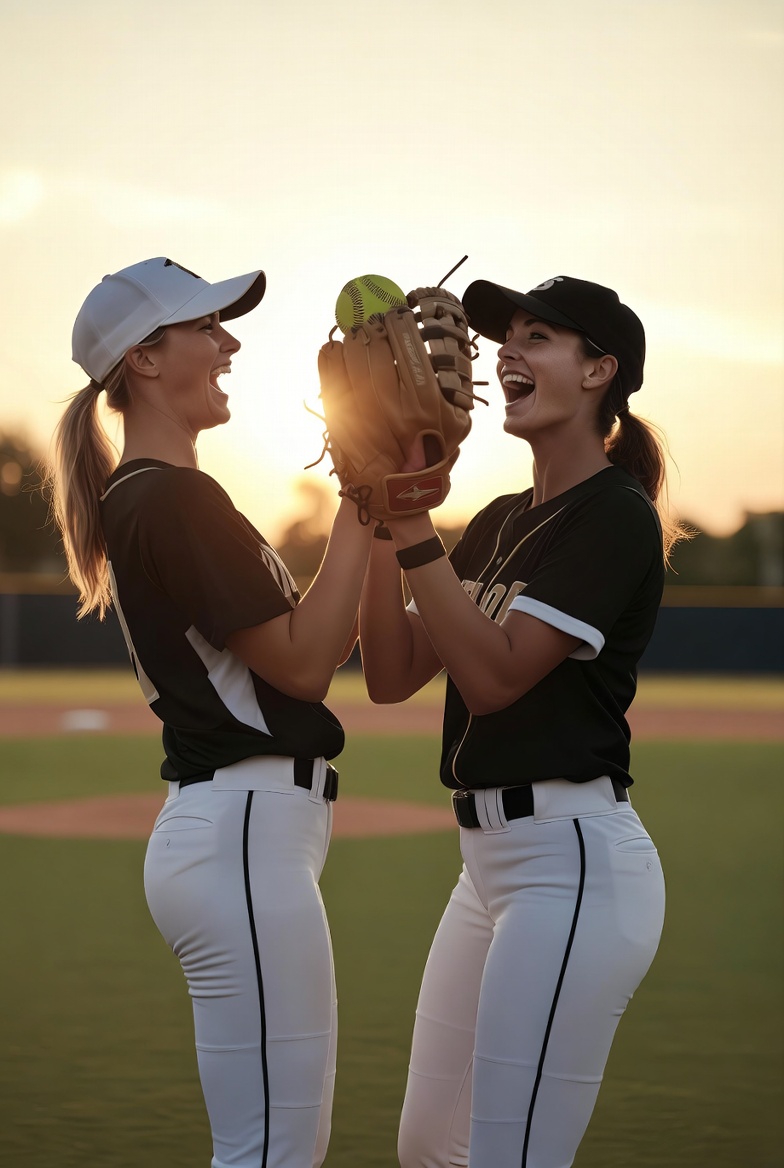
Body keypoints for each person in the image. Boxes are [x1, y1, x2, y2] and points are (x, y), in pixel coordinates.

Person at [51, 256, 374, 1168]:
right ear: (145, 360)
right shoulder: (171, 497)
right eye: (206, 327)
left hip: (239, 832)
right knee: (273, 1153)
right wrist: (361, 488)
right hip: (241, 830)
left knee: (268, 1149)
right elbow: (309, 667)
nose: (228, 342)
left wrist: (369, 495)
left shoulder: (159, 493)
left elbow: (314, 644)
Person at [359, 274, 678, 1168]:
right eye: (510, 336)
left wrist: (416, 521)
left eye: (539, 337)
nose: (507, 352)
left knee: (508, 1155)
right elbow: (390, 673)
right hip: (486, 872)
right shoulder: (499, 520)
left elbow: (496, 678)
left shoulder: (615, 517)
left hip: (571, 868)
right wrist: (384, 510)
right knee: (426, 1146)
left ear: (599, 372)